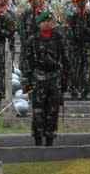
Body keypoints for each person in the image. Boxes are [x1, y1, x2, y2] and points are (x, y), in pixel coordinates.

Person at [22, 11, 69, 146]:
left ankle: (50, 139)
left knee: (53, 111)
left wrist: (65, 81)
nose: (47, 23)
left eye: (49, 21)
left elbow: (65, 60)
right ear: (39, 24)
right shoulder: (32, 40)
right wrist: (26, 82)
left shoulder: (59, 38)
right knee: (38, 111)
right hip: (38, 78)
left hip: (55, 78)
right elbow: (27, 62)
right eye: (44, 21)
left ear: (53, 23)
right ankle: (37, 140)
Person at [65, 0, 90, 100]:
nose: (82, 2)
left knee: (86, 71)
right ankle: (73, 92)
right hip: (74, 47)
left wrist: (87, 32)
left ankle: (84, 92)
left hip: (87, 47)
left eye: (84, 0)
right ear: (76, 2)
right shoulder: (72, 15)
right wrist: (73, 35)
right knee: (74, 70)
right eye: (80, 0)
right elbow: (67, 30)